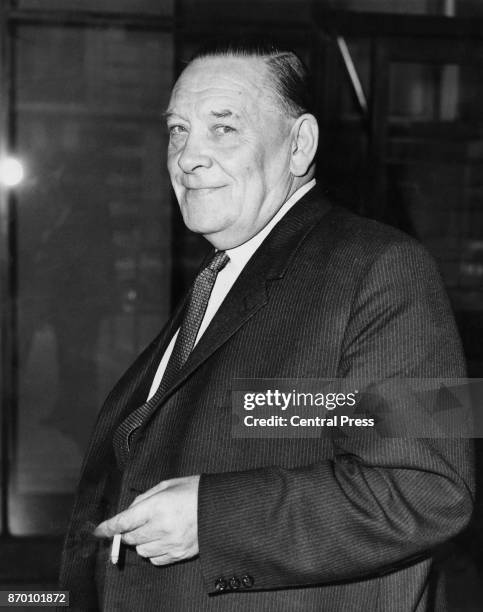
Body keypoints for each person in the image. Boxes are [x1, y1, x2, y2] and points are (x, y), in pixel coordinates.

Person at [60, 40, 474, 611]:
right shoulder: (227, 270)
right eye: (178, 130)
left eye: (222, 128)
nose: (187, 156)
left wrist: (213, 518)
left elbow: (429, 489)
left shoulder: (388, 267)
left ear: (299, 145)